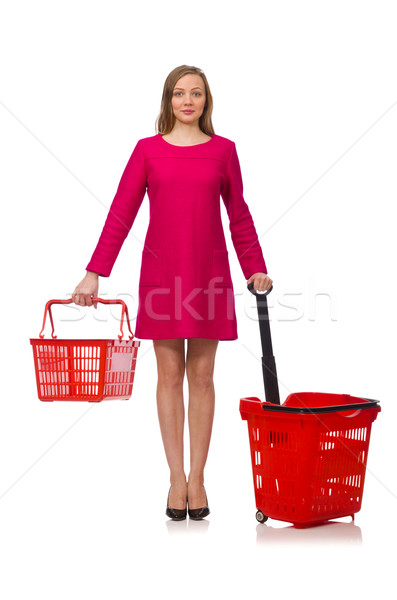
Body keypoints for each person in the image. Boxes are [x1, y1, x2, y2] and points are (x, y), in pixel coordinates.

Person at [72, 64, 273, 520]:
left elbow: (238, 216)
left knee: (201, 377)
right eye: (179, 93)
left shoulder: (224, 151)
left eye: (196, 94)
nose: (188, 101)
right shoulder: (147, 151)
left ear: (207, 101)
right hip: (163, 279)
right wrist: (94, 272)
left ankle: (198, 479)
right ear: (167, 101)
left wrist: (256, 269)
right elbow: (121, 214)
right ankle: (175, 478)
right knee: (168, 377)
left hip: (209, 274)